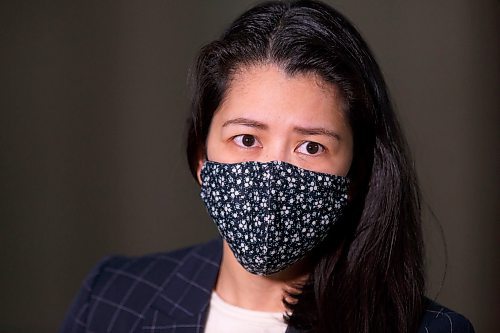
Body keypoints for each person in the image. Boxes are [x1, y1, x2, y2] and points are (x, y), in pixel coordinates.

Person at [60, 1, 475, 332]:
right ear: (202, 157)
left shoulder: (431, 329)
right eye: (246, 140)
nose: (273, 174)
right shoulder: (112, 294)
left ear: (356, 174)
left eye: (310, 146)